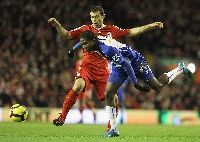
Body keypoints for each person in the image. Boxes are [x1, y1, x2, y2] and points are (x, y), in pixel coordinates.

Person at [48, 6, 163, 127]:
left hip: (102, 70)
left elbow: (131, 31)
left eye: (96, 16)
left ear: (103, 16)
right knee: (78, 86)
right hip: (86, 67)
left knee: (112, 98)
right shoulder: (85, 29)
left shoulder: (111, 30)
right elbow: (67, 35)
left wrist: (150, 26)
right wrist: (56, 24)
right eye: (92, 17)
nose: (94, 19)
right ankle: (62, 118)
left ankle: (111, 128)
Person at [74, 30, 193, 137]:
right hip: (118, 64)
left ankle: (179, 69)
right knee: (109, 93)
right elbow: (83, 41)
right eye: (82, 44)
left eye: (85, 44)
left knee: (156, 86)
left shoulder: (107, 49)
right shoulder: (93, 41)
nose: (83, 47)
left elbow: (126, 64)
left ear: (92, 41)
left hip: (134, 61)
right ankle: (114, 129)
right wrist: (72, 49)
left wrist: (135, 82)